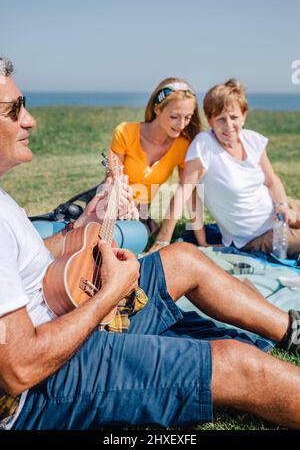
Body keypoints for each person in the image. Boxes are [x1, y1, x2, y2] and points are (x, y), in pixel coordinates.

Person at [2, 57, 300, 431]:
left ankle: (292, 330)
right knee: (238, 362)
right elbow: (20, 368)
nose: (30, 120)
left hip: (69, 314)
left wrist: (82, 227)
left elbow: (31, 258)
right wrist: (110, 293)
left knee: (183, 259)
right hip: (43, 387)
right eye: (13, 110)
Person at [153, 79, 300, 257]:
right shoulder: (204, 145)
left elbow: (271, 181)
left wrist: (283, 205)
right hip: (256, 236)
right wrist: (163, 241)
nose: (229, 125)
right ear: (210, 120)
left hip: (281, 208)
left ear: (244, 116)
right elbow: (185, 192)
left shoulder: (252, 140)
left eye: (234, 117)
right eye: (221, 119)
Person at [109, 77, 201, 241]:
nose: (181, 124)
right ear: (157, 109)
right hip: (113, 201)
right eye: (174, 116)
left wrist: (202, 240)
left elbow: (188, 190)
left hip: (141, 214)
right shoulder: (125, 132)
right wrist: (123, 206)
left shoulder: (183, 147)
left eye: (187, 117)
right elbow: (112, 180)